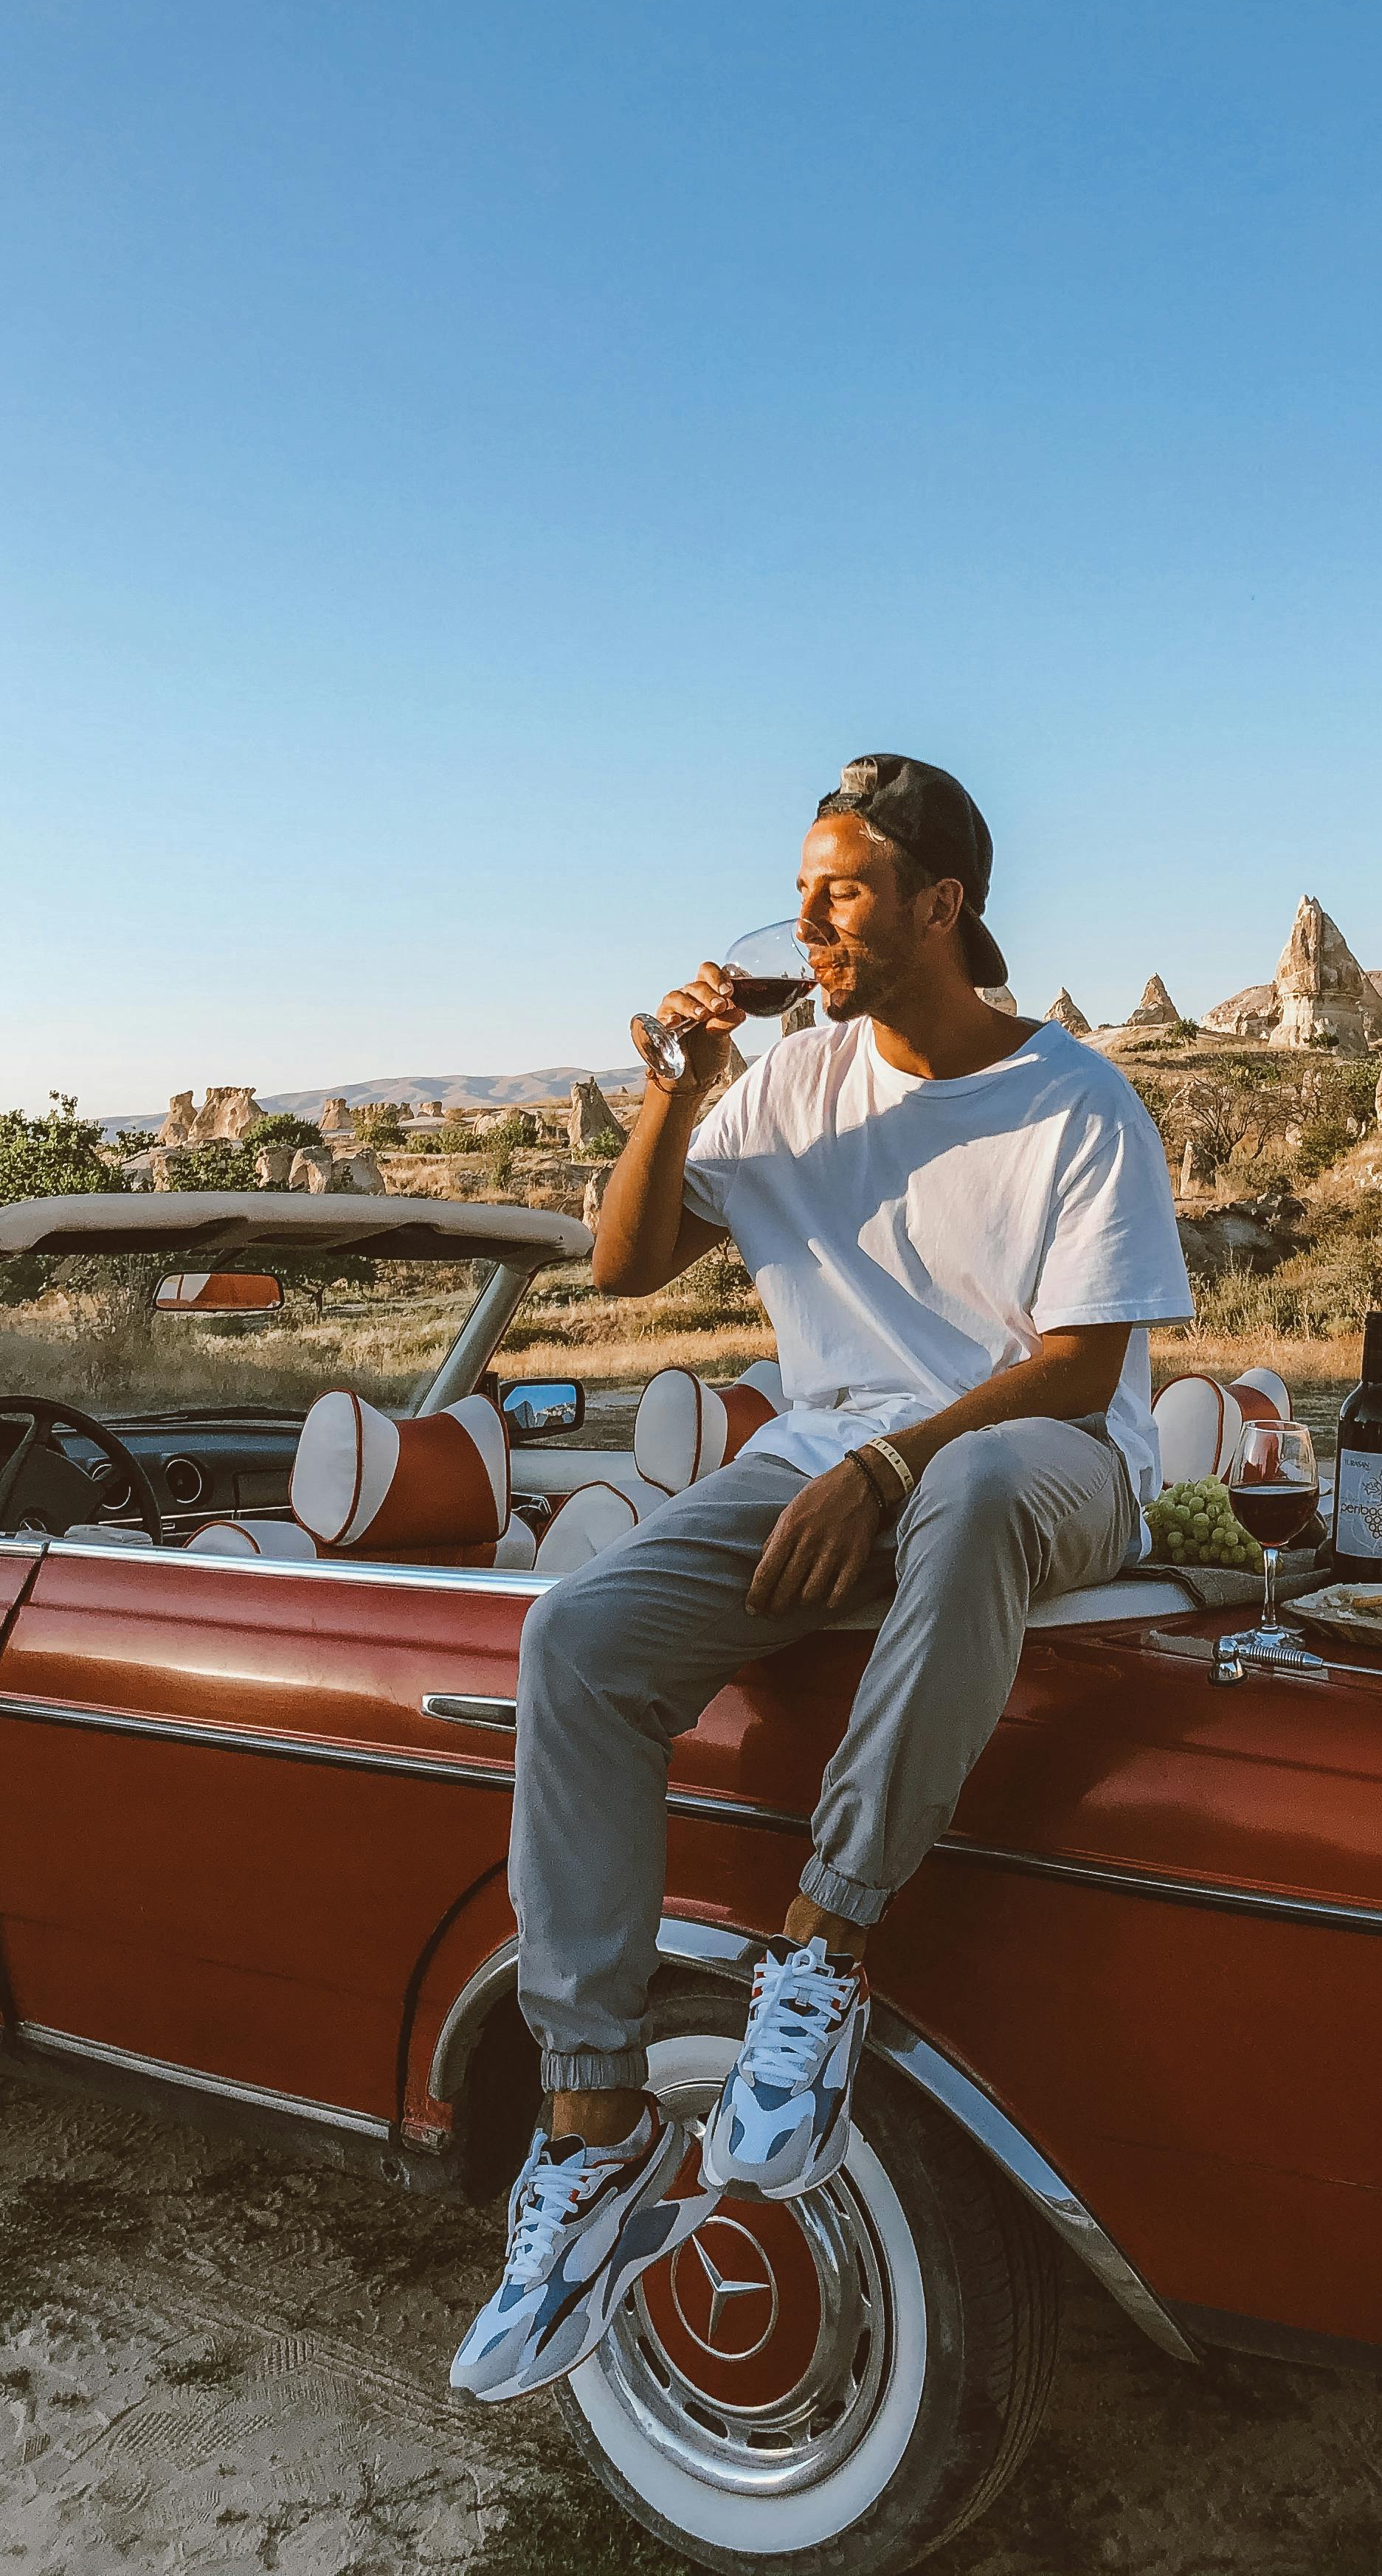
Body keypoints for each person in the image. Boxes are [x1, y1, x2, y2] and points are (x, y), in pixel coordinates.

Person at [452, 754, 1192, 2401]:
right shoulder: (786, 1081)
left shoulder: (1076, 1098)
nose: (807, 920)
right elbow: (628, 1263)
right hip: (823, 1465)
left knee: (978, 1478)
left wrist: (889, 1461)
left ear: (944, 905)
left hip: (1048, 1465)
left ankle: (825, 1945)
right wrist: (676, 1083)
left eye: (843, 889)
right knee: (578, 1640)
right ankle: (593, 2129)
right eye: (800, 889)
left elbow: (1079, 1370)